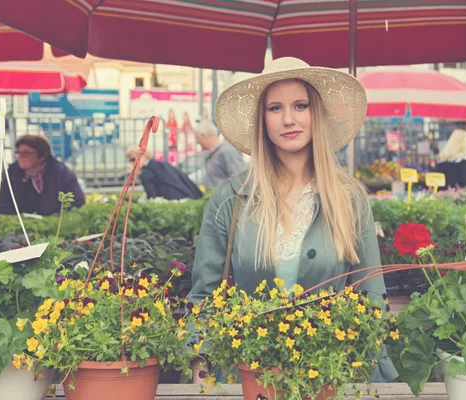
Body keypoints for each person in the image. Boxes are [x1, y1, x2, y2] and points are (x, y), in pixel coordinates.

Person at [187, 57, 398, 383]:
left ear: (317, 115)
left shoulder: (349, 198)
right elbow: (205, 296)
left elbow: (372, 296)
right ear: (262, 120)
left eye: (301, 106)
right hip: (248, 376)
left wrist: (372, 371)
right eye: (275, 108)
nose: (289, 119)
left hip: (330, 376)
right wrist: (202, 363)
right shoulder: (231, 198)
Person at [0, 134, 85, 216]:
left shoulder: (61, 174)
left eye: (26, 153)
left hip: (53, 226)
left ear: (42, 156)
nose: (21, 157)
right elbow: (2, 204)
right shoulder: (12, 173)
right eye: (19, 153)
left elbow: (76, 204)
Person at [125, 146, 203, 200]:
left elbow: (152, 198)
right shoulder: (161, 164)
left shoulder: (146, 173)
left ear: (143, 155)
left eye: (133, 159)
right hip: (189, 198)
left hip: (172, 205)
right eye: (130, 160)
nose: (132, 163)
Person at [194, 119, 247, 187]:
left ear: (203, 135)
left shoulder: (227, 152)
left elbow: (241, 181)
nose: (197, 142)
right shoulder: (209, 154)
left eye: (197, 138)